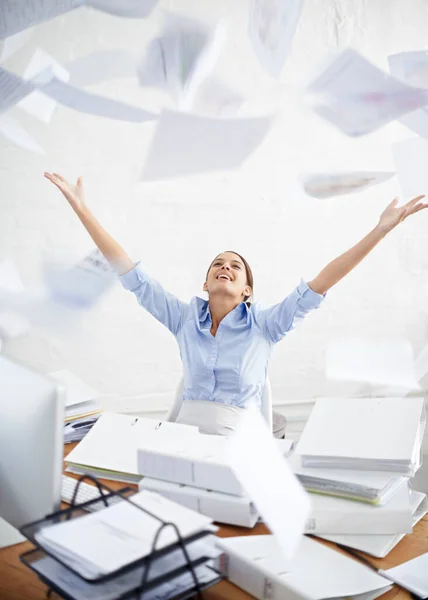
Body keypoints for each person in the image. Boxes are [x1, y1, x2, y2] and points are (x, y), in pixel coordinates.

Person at [44, 172, 427, 435]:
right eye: (217, 264)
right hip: (182, 438)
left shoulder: (266, 325)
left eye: (235, 266)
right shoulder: (182, 318)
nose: (225, 267)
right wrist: (82, 209)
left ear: (247, 290)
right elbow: (128, 271)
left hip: (238, 443)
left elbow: (323, 281)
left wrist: (380, 230)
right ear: (206, 282)